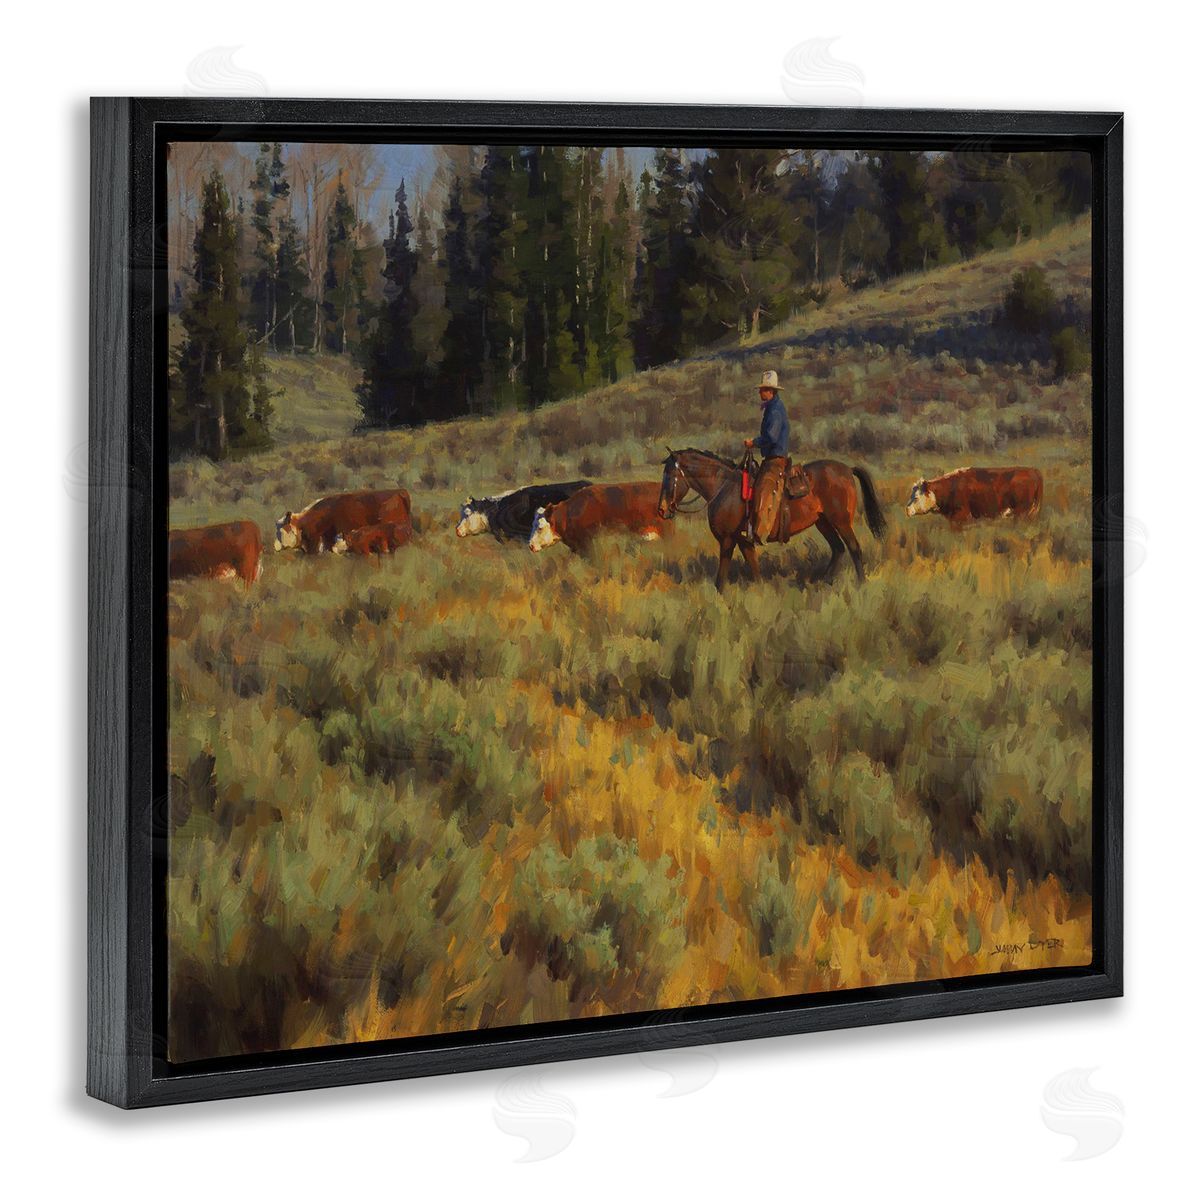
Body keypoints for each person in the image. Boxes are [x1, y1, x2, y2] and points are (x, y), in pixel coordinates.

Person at [743, 369, 791, 544]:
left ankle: (759, 533)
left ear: (770, 391)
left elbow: (771, 437)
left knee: (763, 489)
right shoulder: (772, 408)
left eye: (763, 389)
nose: (760, 392)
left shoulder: (775, 410)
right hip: (770, 459)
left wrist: (753, 443)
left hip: (776, 461)